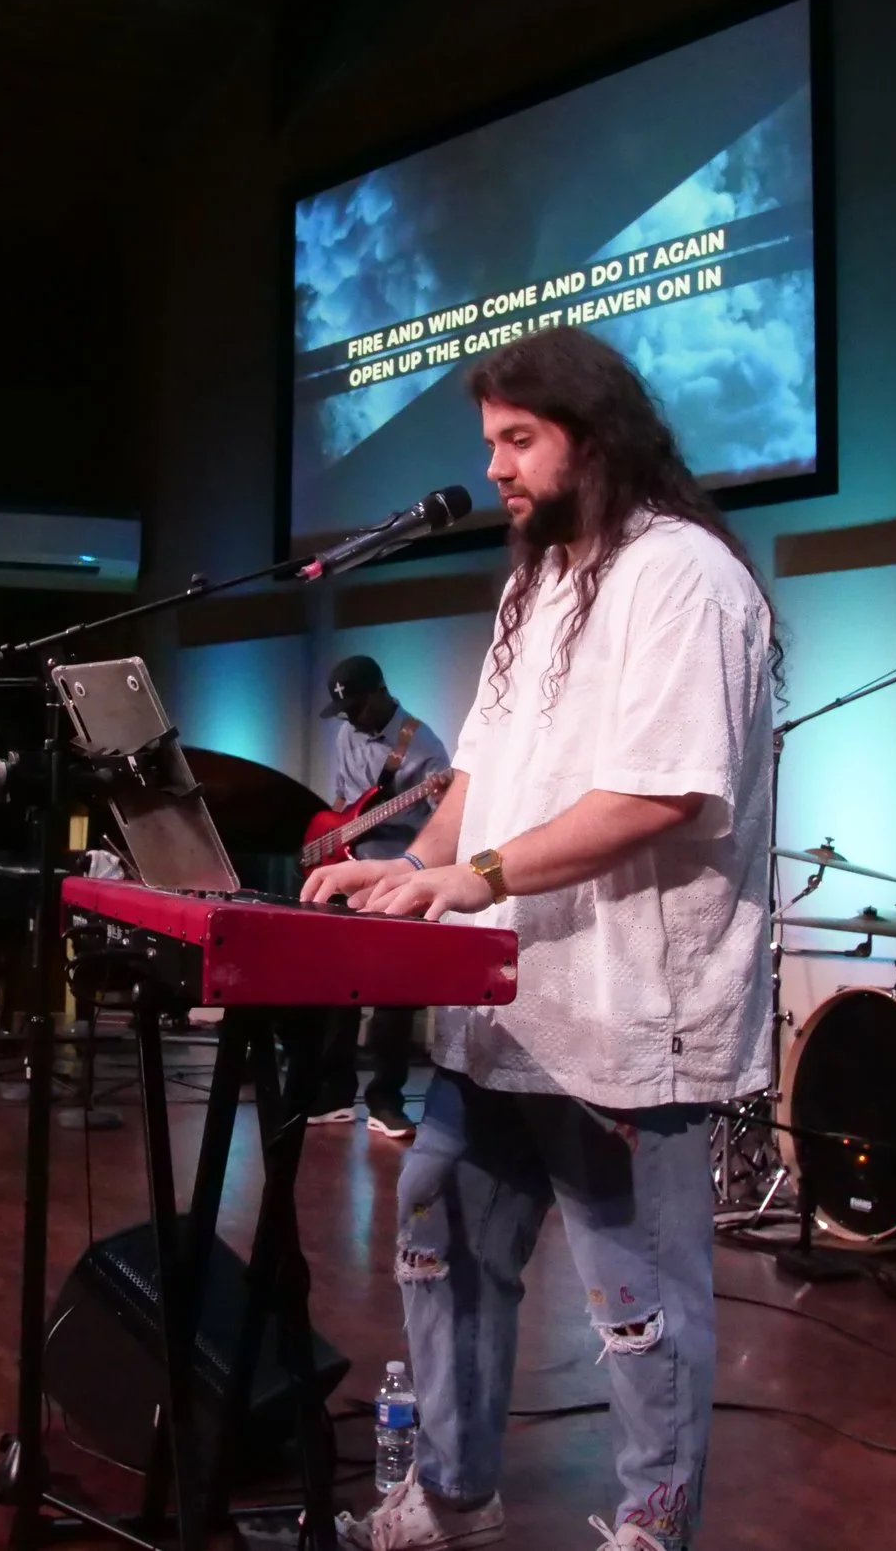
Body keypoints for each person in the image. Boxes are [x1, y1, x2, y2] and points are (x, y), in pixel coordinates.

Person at [301, 327, 777, 1551]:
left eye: (519, 440)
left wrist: (472, 876)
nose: (498, 469)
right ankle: (454, 1497)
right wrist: (406, 869)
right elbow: (487, 774)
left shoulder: (686, 577)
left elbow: (660, 793)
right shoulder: (536, 582)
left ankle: (649, 1527)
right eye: (491, 443)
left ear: (592, 433)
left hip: (628, 1015)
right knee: (438, 1229)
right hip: (499, 1003)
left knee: (636, 1304)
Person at [309, 653, 451, 1139]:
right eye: (343, 711)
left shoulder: (426, 748)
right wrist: (328, 835)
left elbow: (443, 822)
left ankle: (386, 1100)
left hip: (397, 876)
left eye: (357, 707)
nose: (349, 718)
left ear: (382, 691)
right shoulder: (346, 732)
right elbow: (344, 802)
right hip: (346, 869)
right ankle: (333, 1093)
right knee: (333, 986)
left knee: (395, 994)